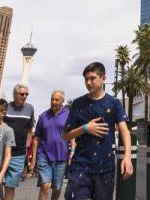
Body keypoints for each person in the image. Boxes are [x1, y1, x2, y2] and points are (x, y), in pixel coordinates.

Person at [62, 62, 133, 200]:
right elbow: (65, 135)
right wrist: (85, 128)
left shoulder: (114, 103)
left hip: (105, 169)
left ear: (103, 78)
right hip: (80, 167)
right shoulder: (78, 104)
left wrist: (127, 157)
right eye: (86, 79)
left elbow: (124, 130)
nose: (88, 82)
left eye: (92, 78)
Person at [30, 90, 75, 200]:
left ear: (62, 101)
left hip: (61, 156)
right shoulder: (43, 116)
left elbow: (72, 135)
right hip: (44, 155)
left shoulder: (68, 115)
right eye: (52, 99)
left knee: (57, 188)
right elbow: (36, 139)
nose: (53, 102)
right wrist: (33, 159)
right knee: (45, 185)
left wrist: (72, 151)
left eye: (56, 100)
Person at [3, 84, 35, 200]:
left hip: (19, 154)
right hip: (3, 151)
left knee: (10, 186)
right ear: (14, 94)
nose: (25, 96)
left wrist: (26, 147)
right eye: (22, 94)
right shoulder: (6, 107)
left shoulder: (30, 108)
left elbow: (30, 129)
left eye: (27, 94)